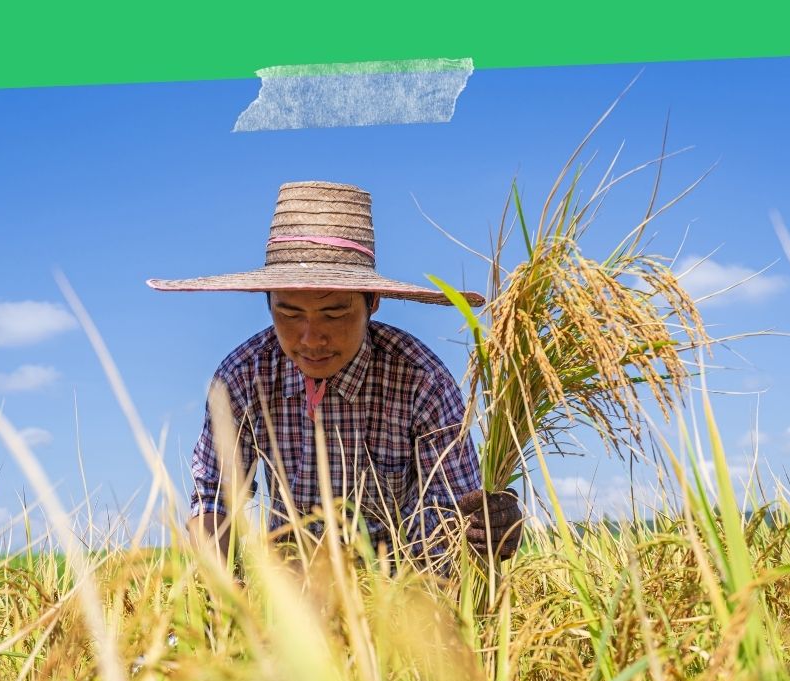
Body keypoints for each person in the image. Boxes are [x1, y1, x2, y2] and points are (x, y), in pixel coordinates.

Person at [148, 181, 522, 565]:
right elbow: (215, 498)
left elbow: (451, 516)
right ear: (267, 303)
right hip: (293, 591)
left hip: (404, 593)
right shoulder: (244, 377)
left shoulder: (421, 381)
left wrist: (490, 530)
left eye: (334, 313)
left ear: (372, 302)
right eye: (290, 313)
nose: (311, 339)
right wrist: (222, 594)